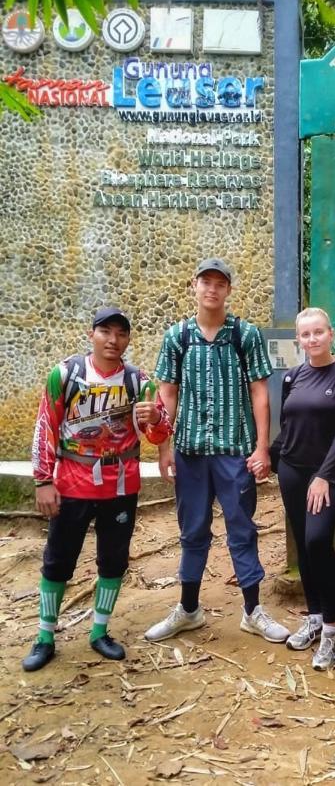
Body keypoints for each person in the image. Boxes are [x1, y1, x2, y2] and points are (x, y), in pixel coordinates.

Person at [145, 259, 289, 644]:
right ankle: (189, 610)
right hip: (190, 451)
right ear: (194, 286)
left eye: (219, 283)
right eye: (205, 282)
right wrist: (164, 449)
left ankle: (252, 611)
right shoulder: (177, 336)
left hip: (234, 452)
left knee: (242, 529)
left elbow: (260, 393)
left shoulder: (244, 335)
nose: (212, 289)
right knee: (192, 531)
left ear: (228, 290)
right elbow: (167, 395)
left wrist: (262, 448)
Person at [23, 308, 171, 672]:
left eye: (121, 333)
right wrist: (43, 480)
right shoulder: (66, 374)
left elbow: (160, 431)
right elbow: (47, 426)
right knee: (58, 559)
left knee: (114, 560)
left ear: (128, 339)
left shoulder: (140, 381)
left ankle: (100, 631)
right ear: (92, 334)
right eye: (105, 331)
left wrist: (153, 419)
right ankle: (45, 636)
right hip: (72, 481)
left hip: (120, 485)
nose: (113, 340)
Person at [271, 308, 335, 670]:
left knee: (317, 541)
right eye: (305, 334)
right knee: (304, 548)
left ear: (331, 333)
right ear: (299, 339)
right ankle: (312, 615)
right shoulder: (293, 377)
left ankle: (331, 626)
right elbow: (287, 426)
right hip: (292, 472)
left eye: (318, 332)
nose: (312, 339)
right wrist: (267, 458)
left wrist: (324, 475)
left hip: (328, 475)